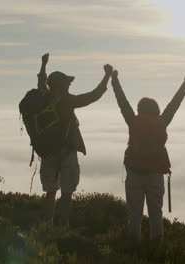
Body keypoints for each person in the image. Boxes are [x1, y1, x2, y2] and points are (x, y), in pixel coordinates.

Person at [110, 69, 185, 239]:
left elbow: (122, 102)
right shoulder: (162, 121)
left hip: (134, 172)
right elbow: (174, 104)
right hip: (155, 173)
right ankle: (156, 247)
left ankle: (134, 245)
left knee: (134, 213)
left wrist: (114, 80)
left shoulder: (133, 121)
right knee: (156, 213)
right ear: (156, 109)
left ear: (139, 109)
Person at [37, 53, 113, 226]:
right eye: (67, 84)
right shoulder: (68, 101)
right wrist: (107, 76)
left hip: (48, 151)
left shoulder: (43, 98)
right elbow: (93, 95)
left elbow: (41, 82)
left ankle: (46, 224)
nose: (69, 86)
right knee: (67, 191)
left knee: (50, 191)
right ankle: (63, 224)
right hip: (67, 150)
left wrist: (43, 65)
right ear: (62, 86)